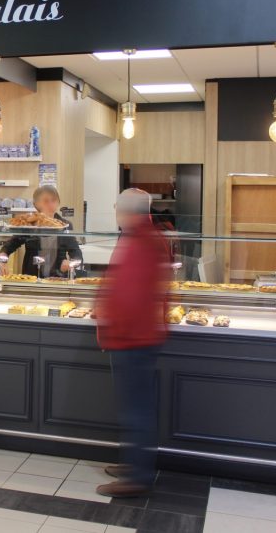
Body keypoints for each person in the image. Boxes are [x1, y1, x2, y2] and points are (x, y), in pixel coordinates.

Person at [94, 188, 170, 497]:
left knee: (136, 412)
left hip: (134, 338)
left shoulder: (142, 241)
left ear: (126, 211)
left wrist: (108, 322)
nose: (116, 213)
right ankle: (133, 463)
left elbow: (131, 294)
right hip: (136, 335)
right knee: (134, 409)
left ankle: (138, 477)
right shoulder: (143, 237)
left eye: (117, 208)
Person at [0, 185, 82, 277]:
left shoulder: (65, 225)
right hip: (32, 278)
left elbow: (76, 253)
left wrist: (70, 264)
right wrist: (2, 260)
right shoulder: (29, 224)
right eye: (46, 201)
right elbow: (9, 246)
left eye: (54, 200)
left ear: (58, 202)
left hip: (58, 278)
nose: (50, 204)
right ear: (36, 204)